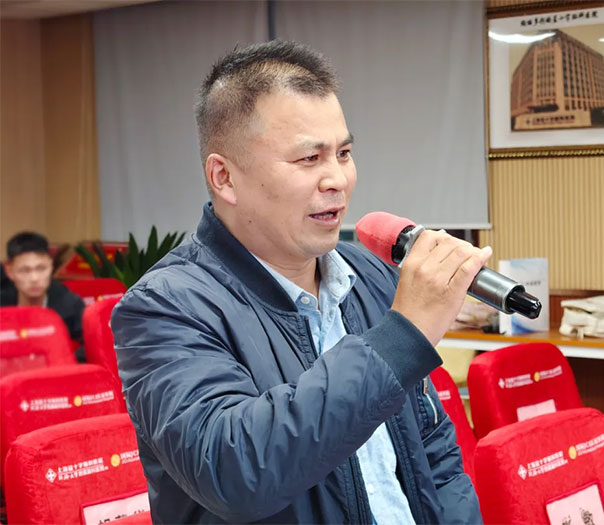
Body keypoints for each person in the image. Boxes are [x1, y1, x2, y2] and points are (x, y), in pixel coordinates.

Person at [112, 40, 490, 524]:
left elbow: (433, 450)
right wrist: (401, 337)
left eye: (344, 153)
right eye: (309, 159)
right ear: (224, 178)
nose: (337, 179)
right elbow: (235, 471)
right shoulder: (164, 307)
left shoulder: (370, 275)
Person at [1, 232, 85, 360]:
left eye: (41, 269)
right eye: (25, 271)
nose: (34, 278)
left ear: (51, 266)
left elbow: (92, 344)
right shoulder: (3, 303)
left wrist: (67, 363)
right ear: (9, 271)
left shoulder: (70, 303)